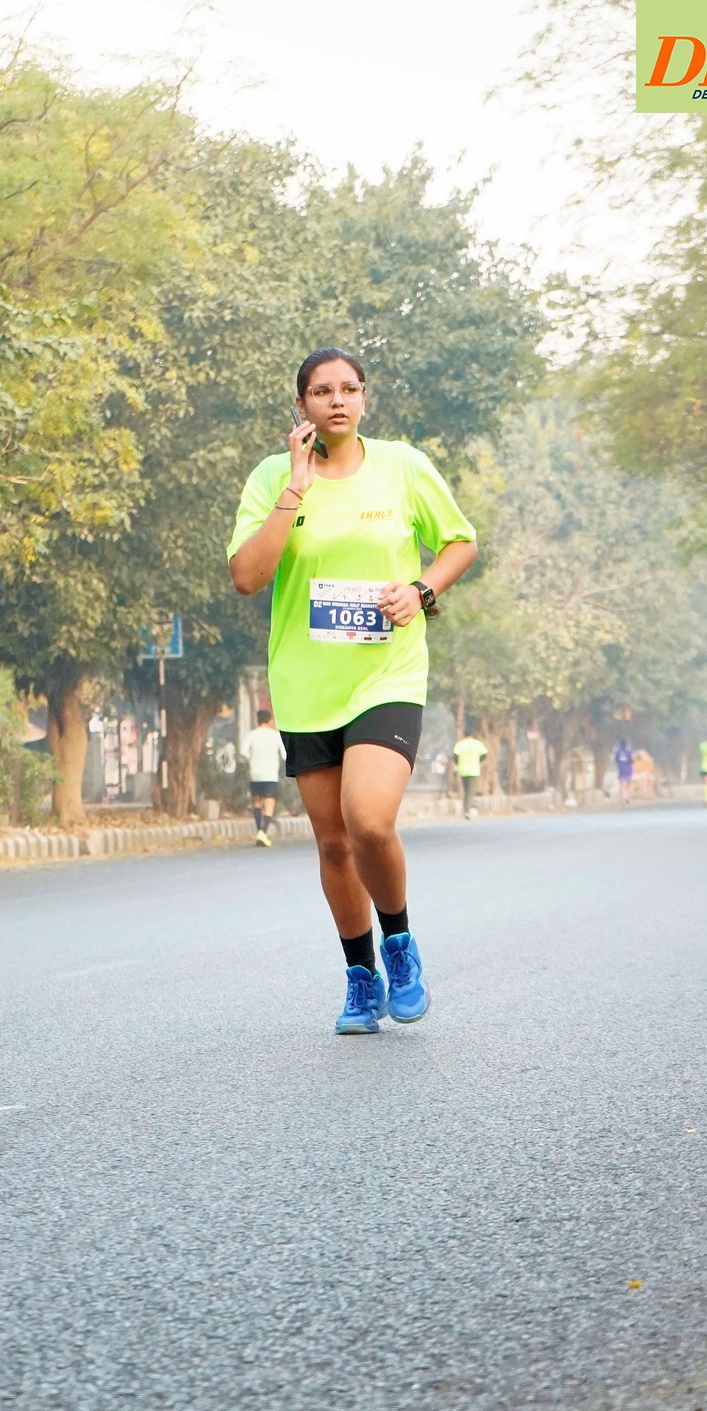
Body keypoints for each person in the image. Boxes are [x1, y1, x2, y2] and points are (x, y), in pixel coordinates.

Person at [228, 347, 477, 1034]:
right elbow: (247, 577)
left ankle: (399, 945)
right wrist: (295, 488)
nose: (336, 400)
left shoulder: (403, 466)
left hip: (386, 674)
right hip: (306, 684)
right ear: (300, 405)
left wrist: (421, 590)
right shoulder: (272, 477)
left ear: (364, 397)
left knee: (368, 820)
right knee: (334, 844)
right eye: (320, 391)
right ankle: (360, 978)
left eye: (348, 388)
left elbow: (459, 542)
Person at [241, 708, 286, 846]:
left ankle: (259, 831)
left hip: (255, 774)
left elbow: (243, 752)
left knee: (256, 802)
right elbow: (284, 755)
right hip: (271, 774)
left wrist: (251, 759)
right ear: (270, 720)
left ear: (257, 720)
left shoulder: (251, 735)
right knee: (269, 804)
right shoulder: (276, 736)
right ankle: (263, 832)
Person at [453, 730, 488, 819]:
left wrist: (458, 764)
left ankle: (465, 809)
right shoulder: (477, 744)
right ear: (472, 735)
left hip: (463, 770)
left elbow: (455, 757)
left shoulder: (460, 744)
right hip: (473, 770)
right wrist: (478, 760)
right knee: (471, 792)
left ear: (464, 735)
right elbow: (484, 755)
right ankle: (467, 811)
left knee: (466, 791)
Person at [613, 738, 634, 804]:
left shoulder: (617, 752)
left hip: (621, 770)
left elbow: (616, 760)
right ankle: (627, 797)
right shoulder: (629, 752)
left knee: (622, 785)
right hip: (629, 770)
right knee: (628, 785)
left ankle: (623, 798)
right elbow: (632, 761)